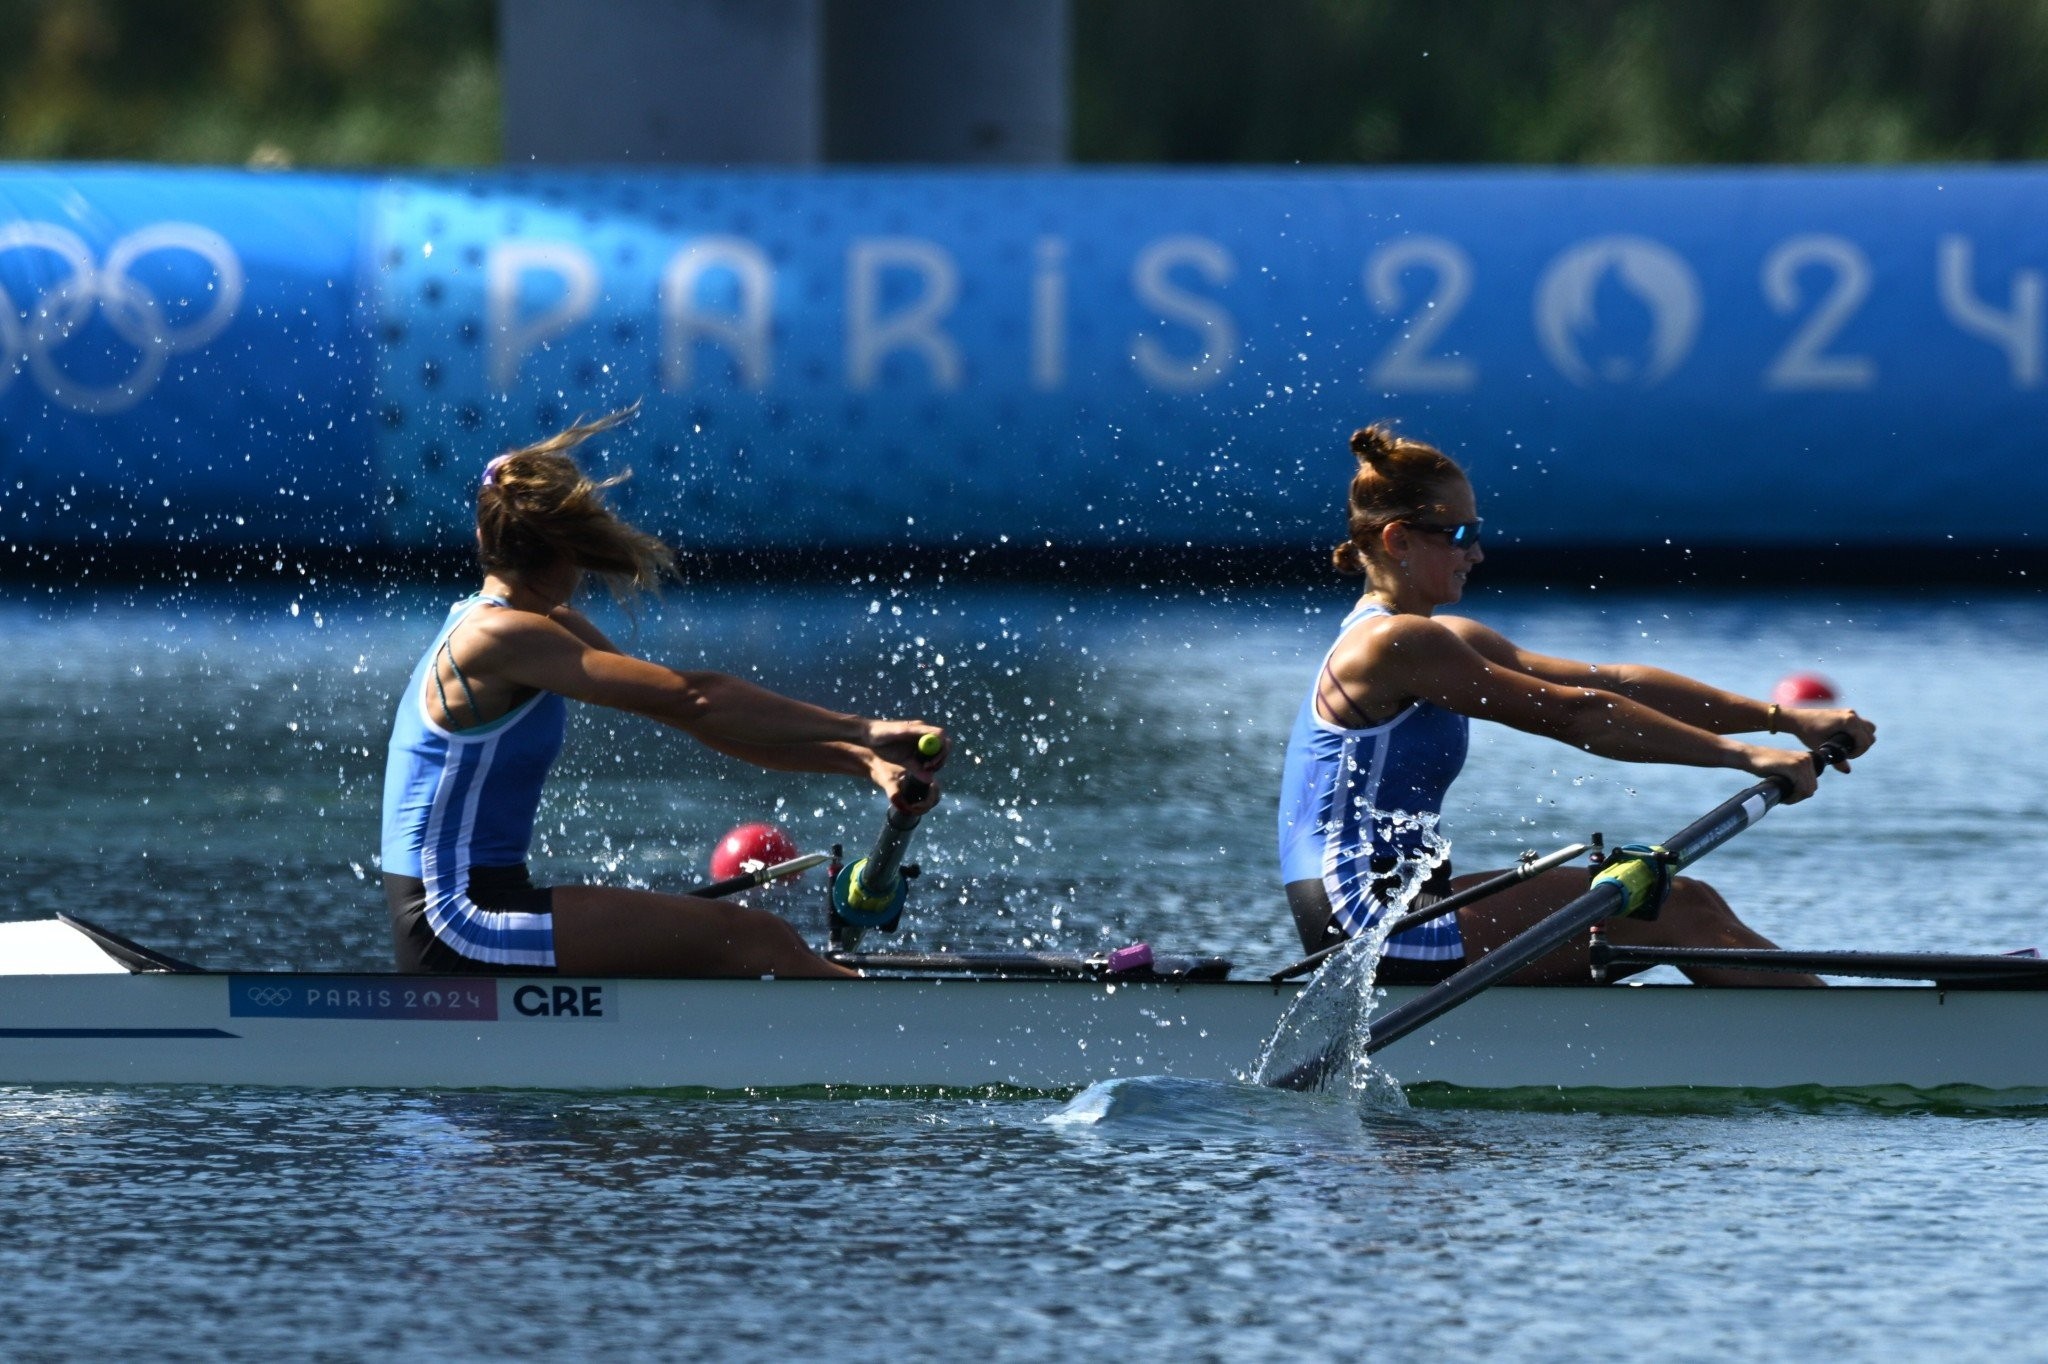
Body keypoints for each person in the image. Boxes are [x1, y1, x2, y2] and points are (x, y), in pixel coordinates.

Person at [1277, 425, 1876, 987]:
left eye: (1477, 531)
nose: (1476, 553)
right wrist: (1744, 757)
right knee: (1677, 910)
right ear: (1398, 539)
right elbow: (1578, 715)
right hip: (1364, 918)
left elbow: (1615, 682)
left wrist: (1784, 718)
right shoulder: (1394, 643)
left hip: (1404, 900)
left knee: (1684, 900)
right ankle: (1861, 1051)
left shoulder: (1445, 638)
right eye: (1459, 535)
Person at [380, 408, 945, 978]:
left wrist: (862, 762)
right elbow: (696, 696)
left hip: (482, 910)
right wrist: (864, 727)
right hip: (455, 923)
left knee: (756, 941)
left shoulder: (533, 625)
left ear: (484, 536)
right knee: (761, 940)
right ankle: (918, 1044)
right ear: (569, 547)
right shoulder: (498, 637)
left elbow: (700, 719)